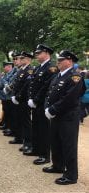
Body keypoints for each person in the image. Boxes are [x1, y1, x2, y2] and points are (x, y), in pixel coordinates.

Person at [43, 50, 86, 185]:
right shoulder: (58, 76)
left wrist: (53, 109)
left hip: (68, 117)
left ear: (70, 61)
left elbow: (70, 98)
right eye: (58, 60)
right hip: (56, 115)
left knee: (68, 145)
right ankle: (58, 166)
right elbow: (49, 94)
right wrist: (47, 108)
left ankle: (71, 175)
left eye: (61, 60)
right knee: (55, 142)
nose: (58, 62)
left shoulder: (75, 77)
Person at [28, 44, 59, 164]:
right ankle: (36, 149)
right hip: (35, 102)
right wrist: (31, 98)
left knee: (44, 129)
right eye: (36, 53)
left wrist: (35, 99)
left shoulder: (51, 68)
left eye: (39, 53)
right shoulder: (38, 67)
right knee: (36, 127)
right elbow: (32, 85)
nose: (37, 55)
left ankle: (45, 155)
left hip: (42, 102)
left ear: (46, 53)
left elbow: (46, 87)